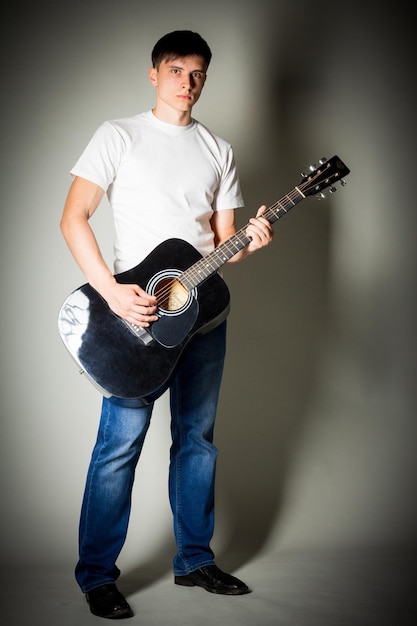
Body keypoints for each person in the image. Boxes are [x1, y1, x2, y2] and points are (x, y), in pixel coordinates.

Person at [60, 30, 274, 619]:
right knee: (118, 447)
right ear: (154, 73)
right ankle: (97, 575)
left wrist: (252, 240)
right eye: (177, 70)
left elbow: (225, 242)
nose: (188, 82)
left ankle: (195, 561)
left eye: (199, 73)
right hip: (137, 314)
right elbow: (73, 217)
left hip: (203, 316)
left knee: (197, 442)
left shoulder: (217, 150)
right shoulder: (118, 136)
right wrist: (111, 291)